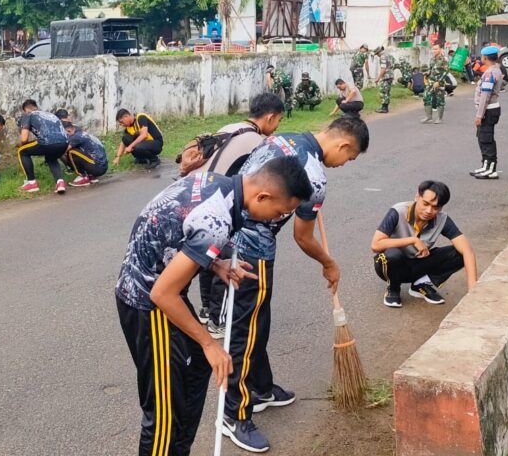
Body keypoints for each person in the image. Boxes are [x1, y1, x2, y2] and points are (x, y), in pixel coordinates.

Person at [116, 157, 314, 456]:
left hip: (160, 284)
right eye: (278, 212)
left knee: (195, 369)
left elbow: (181, 230)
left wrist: (215, 263)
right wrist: (210, 342)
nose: (274, 220)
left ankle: (179, 449)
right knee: (164, 410)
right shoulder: (218, 220)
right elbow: (162, 295)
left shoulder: (220, 185)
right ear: (263, 196)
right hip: (146, 301)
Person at [221, 116, 370, 453]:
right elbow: (303, 237)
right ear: (344, 145)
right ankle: (234, 413)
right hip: (250, 249)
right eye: (350, 158)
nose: (345, 164)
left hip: (230, 229)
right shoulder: (314, 177)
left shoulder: (285, 139)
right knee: (245, 331)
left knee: (258, 321)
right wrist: (329, 263)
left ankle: (259, 387)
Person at [191, 92, 286, 331]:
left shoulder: (230, 127)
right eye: (279, 121)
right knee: (225, 255)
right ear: (271, 117)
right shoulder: (259, 143)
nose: (276, 127)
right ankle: (217, 320)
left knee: (207, 254)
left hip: (195, 194)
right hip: (217, 202)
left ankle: (205, 309)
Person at [371, 181, 478, 307]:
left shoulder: (442, 219)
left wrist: (473, 292)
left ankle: (421, 283)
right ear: (417, 197)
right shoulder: (398, 211)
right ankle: (393, 288)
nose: (429, 210)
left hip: (419, 265)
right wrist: (413, 240)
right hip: (392, 265)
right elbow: (375, 245)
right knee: (391, 255)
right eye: (425, 204)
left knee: (460, 253)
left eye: (435, 207)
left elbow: (467, 251)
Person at [17, 99, 70, 194]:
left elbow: (24, 139)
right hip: (64, 142)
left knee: (22, 151)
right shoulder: (51, 115)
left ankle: (31, 182)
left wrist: (21, 144)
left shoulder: (28, 115)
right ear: (36, 107)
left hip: (47, 142)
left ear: (25, 110)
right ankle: (60, 182)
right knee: (51, 158)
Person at [471, 46, 504, 179]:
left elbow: (485, 95)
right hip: (489, 109)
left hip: (488, 110)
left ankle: (491, 169)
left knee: (487, 139)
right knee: (482, 138)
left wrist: (479, 115)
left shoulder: (491, 73)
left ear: (485, 57)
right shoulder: (494, 70)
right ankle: (485, 165)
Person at [64, 122, 109, 187]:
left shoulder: (76, 137)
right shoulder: (83, 134)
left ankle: (83, 177)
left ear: (69, 130)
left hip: (97, 167)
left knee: (71, 152)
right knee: (79, 151)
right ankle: (91, 176)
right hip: (102, 166)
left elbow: (64, 150)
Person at [421, 45, 449, 124]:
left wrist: (439, 82)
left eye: (436, 49)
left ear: (440, 49)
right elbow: (431, 69)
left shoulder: (444, 59)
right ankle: (428, 117)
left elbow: (446, 71)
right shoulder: (432, 59)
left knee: (440, 100)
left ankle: (439, 118)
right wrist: (426, 73)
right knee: (426, 96)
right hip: (431, 81)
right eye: (433, 49)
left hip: (439, 82)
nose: (434, 50)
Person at [373, 46, 395, 113]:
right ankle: (385, 107)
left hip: (386, 76)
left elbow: (383, 68)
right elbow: (394, 64)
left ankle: (384, 108)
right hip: (390, 75)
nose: (377, 55)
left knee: (383, 91)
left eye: (377, 54)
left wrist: (378, 78)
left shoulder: (383, 56)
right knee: (387, 91)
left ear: (379, 52)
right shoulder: (389, 55)